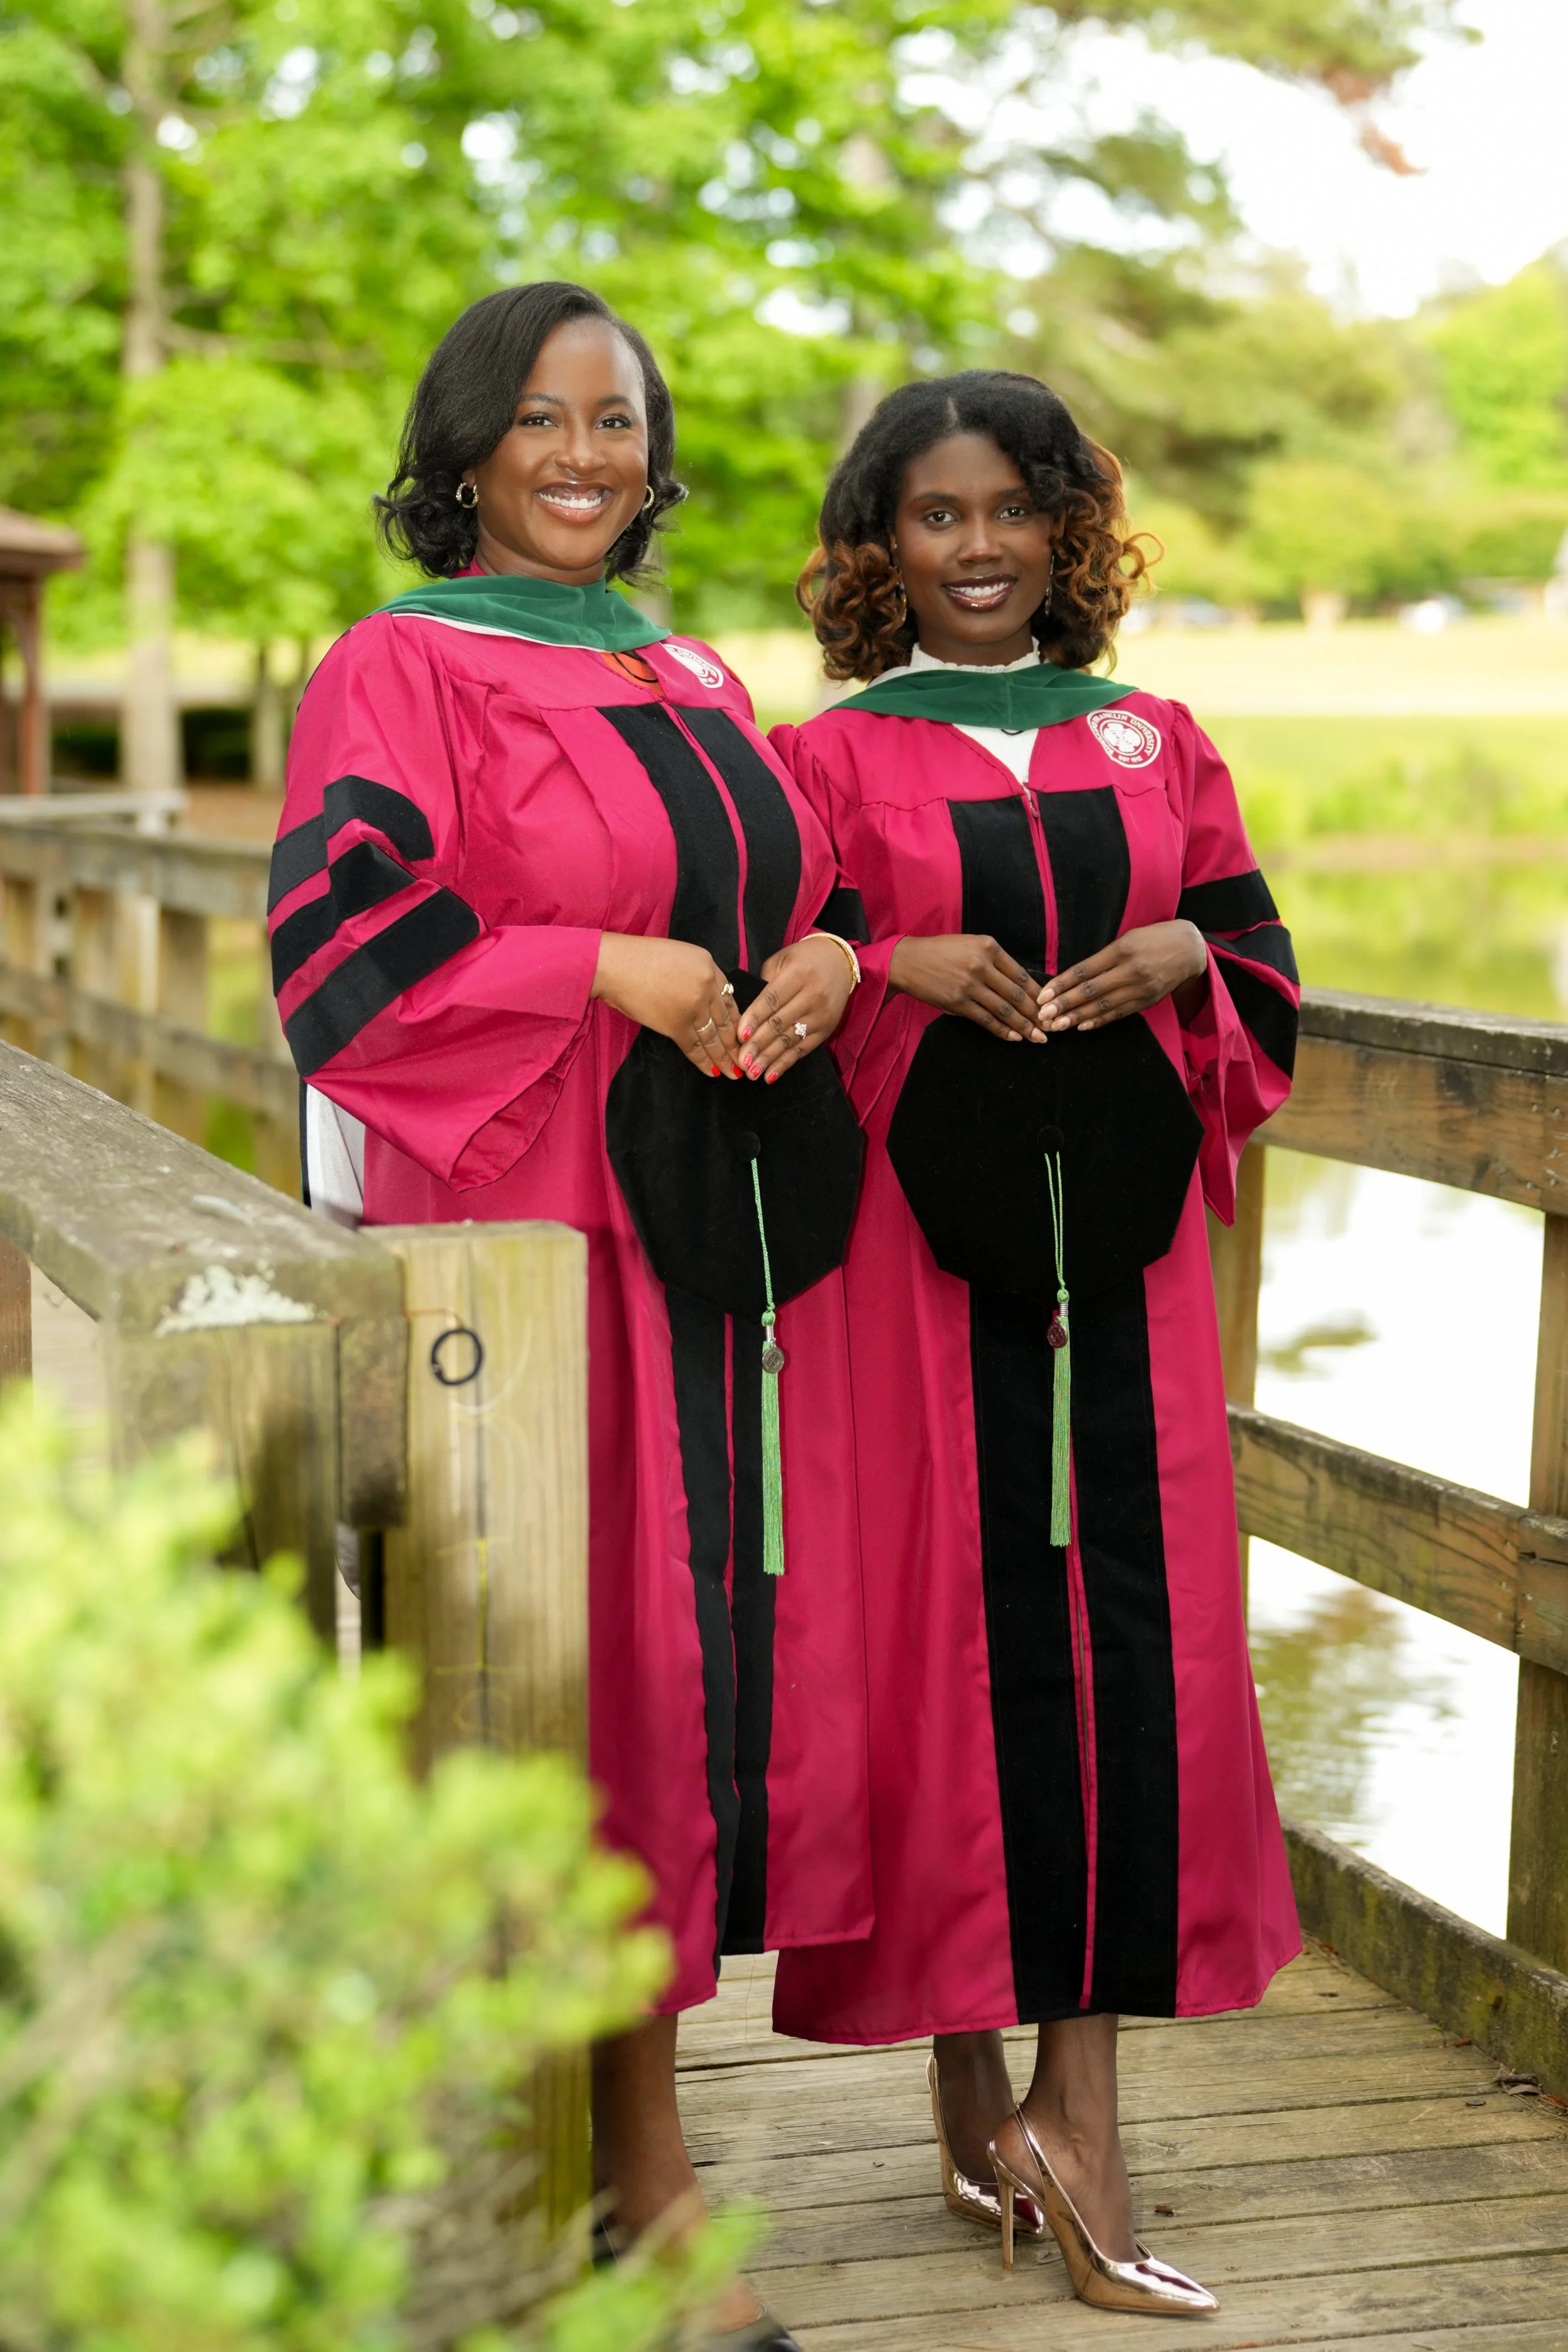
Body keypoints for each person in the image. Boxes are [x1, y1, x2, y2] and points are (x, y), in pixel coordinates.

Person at [268, 281, 873, 2350]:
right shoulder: (400, 662)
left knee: (682, 1678)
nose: (585, 452)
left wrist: (823, 964)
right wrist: (594, 971)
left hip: (691, 1246)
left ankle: (621, 2151)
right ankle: (612, 2177)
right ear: (463, 447)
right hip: (525, 1252)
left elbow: (792, 872)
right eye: (540, 416)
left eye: (617, 417)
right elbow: (344, 954)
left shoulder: (688, 663)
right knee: (572, 1681)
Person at [770, 371, 1301, 2319]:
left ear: (1066, 529)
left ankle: (1080, 2127)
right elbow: (774, 989)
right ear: (878, 547)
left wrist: (1192, 954)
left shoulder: (1156, 740)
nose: (976, 547)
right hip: (916, 1286)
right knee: (949, 1646)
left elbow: (1257, 963)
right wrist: (887, 959)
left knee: (1123, 1654)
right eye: (933, 515)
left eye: (1011, 509)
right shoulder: (824, 762)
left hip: (1128, 1284)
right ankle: (966, 2080)